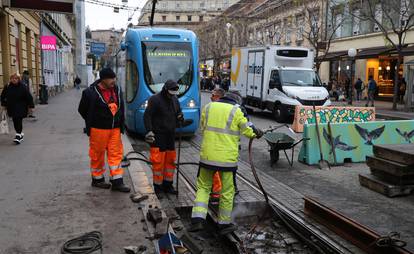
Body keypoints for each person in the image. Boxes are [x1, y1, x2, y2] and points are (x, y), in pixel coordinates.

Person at [189, 90, 263, 234]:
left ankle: (197, 220)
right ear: (237, 101)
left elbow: (203, 127)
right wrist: (257, 133)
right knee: (227, 191)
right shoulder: (236, 111)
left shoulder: (209, 107)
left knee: (203, 188)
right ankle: (223, 223)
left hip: (207, 157)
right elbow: (248, 131)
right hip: (226, 160)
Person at [78, 68, 130, 192]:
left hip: (115, 129)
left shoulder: (116, 89)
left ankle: (117, 181)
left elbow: (120, 106)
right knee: (97, 154)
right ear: (103, 79)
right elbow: (82, 110)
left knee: (116, 154)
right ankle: (97, 179)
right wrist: (94, 120)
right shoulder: (90, 92)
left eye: (114, 78)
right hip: (98, 129)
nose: (114, 81)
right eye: (111, 78)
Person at [144, 80, 190, 194]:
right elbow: (147, 115)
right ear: (165, 90)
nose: (172, 95)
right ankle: (158, 187)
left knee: (170, 162)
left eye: (174, 93)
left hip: (170, 135)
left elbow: (178, 112)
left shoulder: (174, 99)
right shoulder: (155, 99)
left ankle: (168, 185)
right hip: (158, 135)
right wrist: (149, 131)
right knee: (158, 162)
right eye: (170, 93)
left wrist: (180, 117)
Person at [1, 73, 34, 144]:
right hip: (11, 107)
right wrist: (3, 104)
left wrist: (31, 106)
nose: (14, 80)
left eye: (16, 78)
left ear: (19, 79)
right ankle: (20, 134)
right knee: (15, 120)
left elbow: (29, 97)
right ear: (10, 79)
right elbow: (2, 96)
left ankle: (18, 135)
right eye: (12, 78)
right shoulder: (7, 86)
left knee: (18, 119)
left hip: (21, 106)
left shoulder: (23, 87)